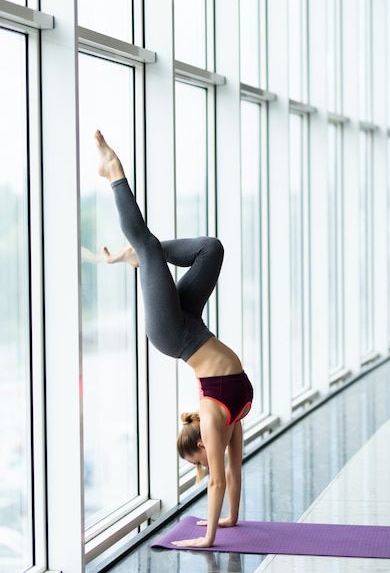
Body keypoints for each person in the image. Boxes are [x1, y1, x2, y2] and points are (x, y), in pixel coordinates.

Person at [95, 129, 253, 548]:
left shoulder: (212, 413)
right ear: (203, 445)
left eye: (195, 460)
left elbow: (220, 477)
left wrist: (217, 528)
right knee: (211, 249)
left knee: (148, 245)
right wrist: (223, 528)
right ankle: (136, 245)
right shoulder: (225, 418)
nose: (202, 465)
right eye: (197, 461)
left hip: (174, 335)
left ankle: (129, 221)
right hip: (191, 326)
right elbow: (227, 476)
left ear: (200, 442)